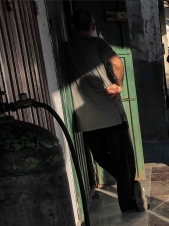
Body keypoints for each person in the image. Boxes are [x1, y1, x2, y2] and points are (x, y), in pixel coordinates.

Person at [63, 9, 145, 213]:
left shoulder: (66, 47)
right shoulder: (98, 43)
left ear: (72, 27)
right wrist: (118, 84)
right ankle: (128, 199)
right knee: (123, 159)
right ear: (93, 26)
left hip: (87, 118)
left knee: (100, 156)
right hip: (111, 113)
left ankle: (129, 184)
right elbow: (117, 62)